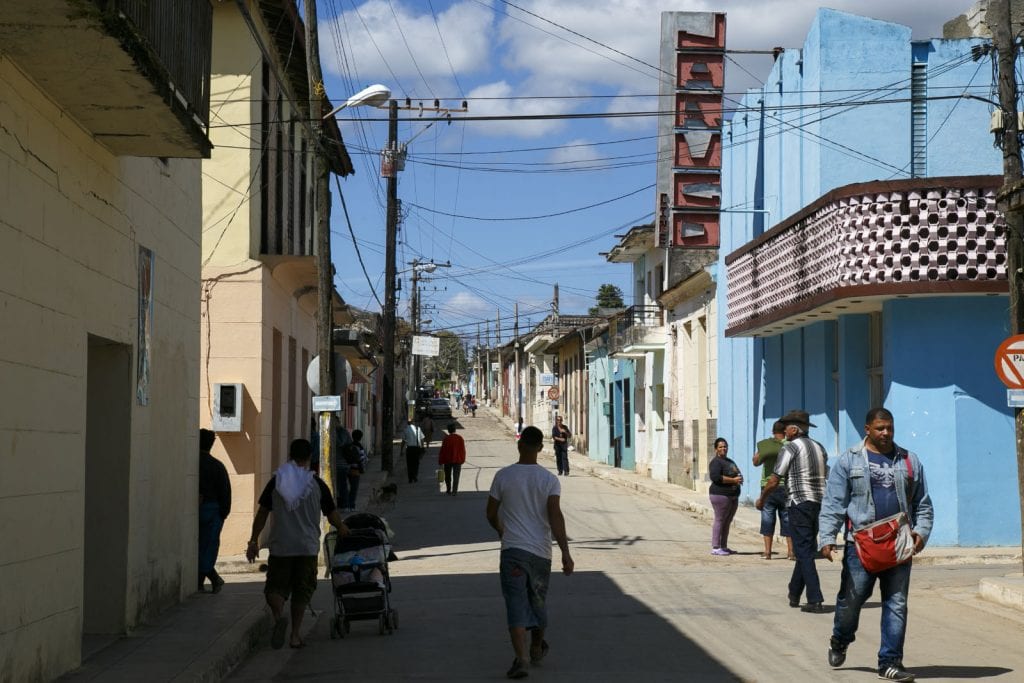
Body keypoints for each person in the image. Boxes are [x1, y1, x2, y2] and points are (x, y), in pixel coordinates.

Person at [818, 407, 933, 682]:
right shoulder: (849, 461)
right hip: (860, 546)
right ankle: (840, 639)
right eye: (880, 428)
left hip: (899, 544)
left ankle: (890, 662)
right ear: (867, 429)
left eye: (890, 428)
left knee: (897, 603)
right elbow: (833, 503)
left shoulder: (908, 460)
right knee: (851, 601)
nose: (886, 433)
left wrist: (921, 532)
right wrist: (826, 538)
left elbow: (923, 503)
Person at [486, 426, 574, 680]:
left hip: (513, 550)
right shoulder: (549, 480)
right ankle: (536, 646)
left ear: (519, 445)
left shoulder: (503, 476)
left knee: (515, 604)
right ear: (541, 448)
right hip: (540, 554)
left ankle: (521, 658)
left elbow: (491, 513)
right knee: (537, 601)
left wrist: (501, 529)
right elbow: (555, 517)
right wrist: (565, 553)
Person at [245, 439, 350, 649]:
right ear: (310, 457)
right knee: (302, 591)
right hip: (307, 548)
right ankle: (294, 635)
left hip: (281, 547)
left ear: (290, 456)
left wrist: (253, 540)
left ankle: (278, 616)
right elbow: (331, 514)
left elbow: (263, 513)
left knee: (275, 589)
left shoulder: (276, 482)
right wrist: (343, 529)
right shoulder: (317, 484)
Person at [756, 409, 829, 613]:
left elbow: (774, 479)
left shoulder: (790, 448)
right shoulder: (819, 447)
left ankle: (815, 598)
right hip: (818, 503)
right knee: (805, 547)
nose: (784, 431)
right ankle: (794, 592)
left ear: (794, 429)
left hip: (799, 502)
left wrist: (762, 500)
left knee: (803, 551)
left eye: (787, 427)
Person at [753, 421, 793, 560]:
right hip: (785, 486)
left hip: (767, 486)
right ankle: (791, 552)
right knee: (787, 519)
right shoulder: (790, 445)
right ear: (785, 430)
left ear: (772, 431)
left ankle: (768, 552)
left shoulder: (766, 445)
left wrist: (762, 452)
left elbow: (756, 462)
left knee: (767, 518)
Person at [198, 428, 231, 593]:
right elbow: (225, 493)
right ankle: (211, 579)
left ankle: (206, 580)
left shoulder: (192, 464)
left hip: (203, 511)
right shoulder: (217, 466)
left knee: (199, 548)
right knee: (207, 547)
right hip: (213, 512)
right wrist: (222, 514)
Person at [708, 437, 742, 556]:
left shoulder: (729, 461)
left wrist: (739, 479)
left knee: (727, 522)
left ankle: (724, 546)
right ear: (716, 449)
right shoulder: (716, 462)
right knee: (720, 520)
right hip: (720, 495)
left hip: (732, 496)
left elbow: (736, 472)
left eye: (725, 446)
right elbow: (716, 477)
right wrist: (733, 480)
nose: (724, 448)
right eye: (721, 447)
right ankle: (716, 547)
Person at [340, 429, 368, 511]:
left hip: (348, 468)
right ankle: (351, 505)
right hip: (356, 470)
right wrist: (362, 469)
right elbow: (362, 459)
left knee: (346, 487)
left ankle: (346, 505)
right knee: (354, 488)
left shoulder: (349, 445)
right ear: (361, 437)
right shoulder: (360, 446)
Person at [438, 423, 467, 495]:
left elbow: (443, 450)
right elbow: (462, 450)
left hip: (447, 460)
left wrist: (441, 460)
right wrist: (462, 459)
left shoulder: (446, 439)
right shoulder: (460, 438)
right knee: (456, 476)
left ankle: (448, 489)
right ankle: (454, 491)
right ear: (455, 430)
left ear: (448, 430)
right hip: (457, 460)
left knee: (447, 476)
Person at [402, 418, 426, 483]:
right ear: (413, 422)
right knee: (416, 463)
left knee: (409, 464)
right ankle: (415, 476)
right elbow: (422, 439)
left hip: (409, 449)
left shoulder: (405, 430)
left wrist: (401, 450)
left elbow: (403, 441)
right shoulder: (418, 429)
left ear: (407, 423)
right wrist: (422, 447)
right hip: (416, 448)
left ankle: (410, 478)